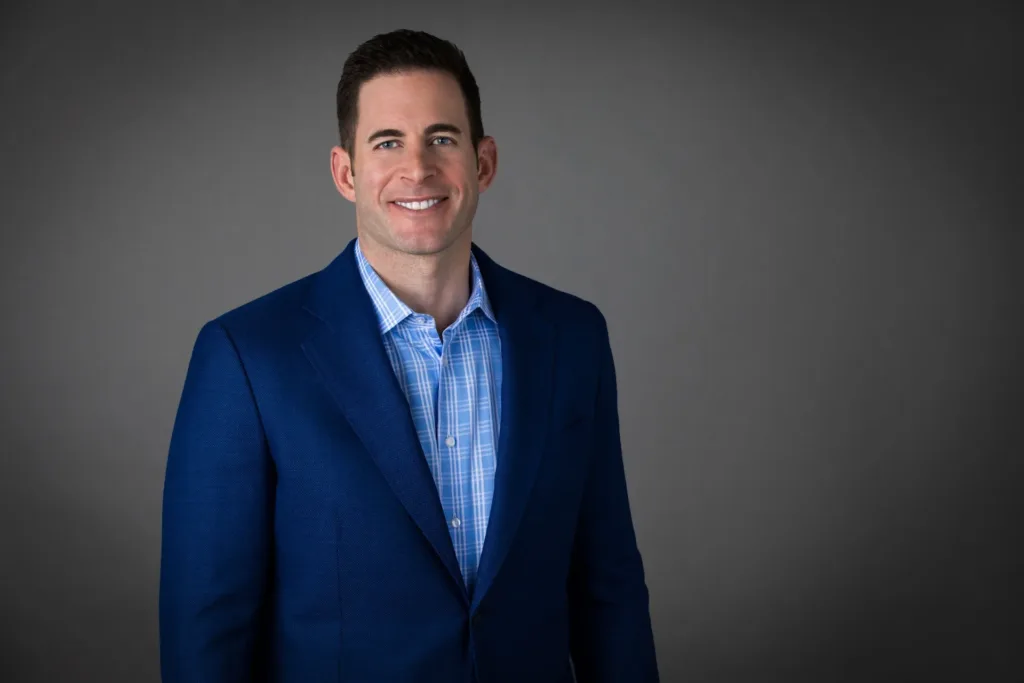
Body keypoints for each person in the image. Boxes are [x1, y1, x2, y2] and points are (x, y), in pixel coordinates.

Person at [159, 28, 659, 683]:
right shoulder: (247, 357)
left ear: (483, 163)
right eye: (387, 142)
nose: (418, 169)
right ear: (346, 172)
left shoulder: (572, 338)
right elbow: (207, 626)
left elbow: (608, 589)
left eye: (442, 139)